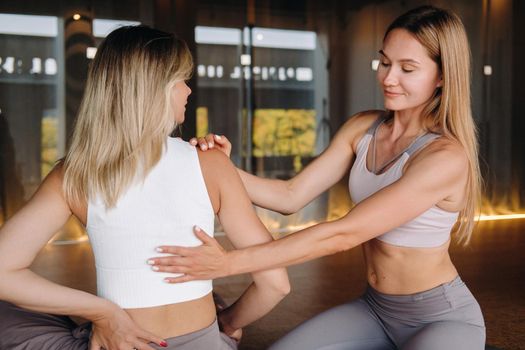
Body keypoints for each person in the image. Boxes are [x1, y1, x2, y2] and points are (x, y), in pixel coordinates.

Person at [147, 5, 486, 350]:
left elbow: (344, 233)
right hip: (376, 309)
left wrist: (228, 262)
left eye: (407, 68)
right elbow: (290, 195)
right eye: (384, 62)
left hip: (440, 317)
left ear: (442, 76)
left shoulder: (445, 157)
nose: (388, 78)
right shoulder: (363, 128)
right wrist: (221, 167)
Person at [0, 25, 290, 350]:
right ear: (157, 89)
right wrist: (228, 326)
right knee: (216, 300)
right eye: (181, 80)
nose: (188, 91)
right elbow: (276, 285)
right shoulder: (213, 163)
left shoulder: (75, 174)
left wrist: (103, 313)